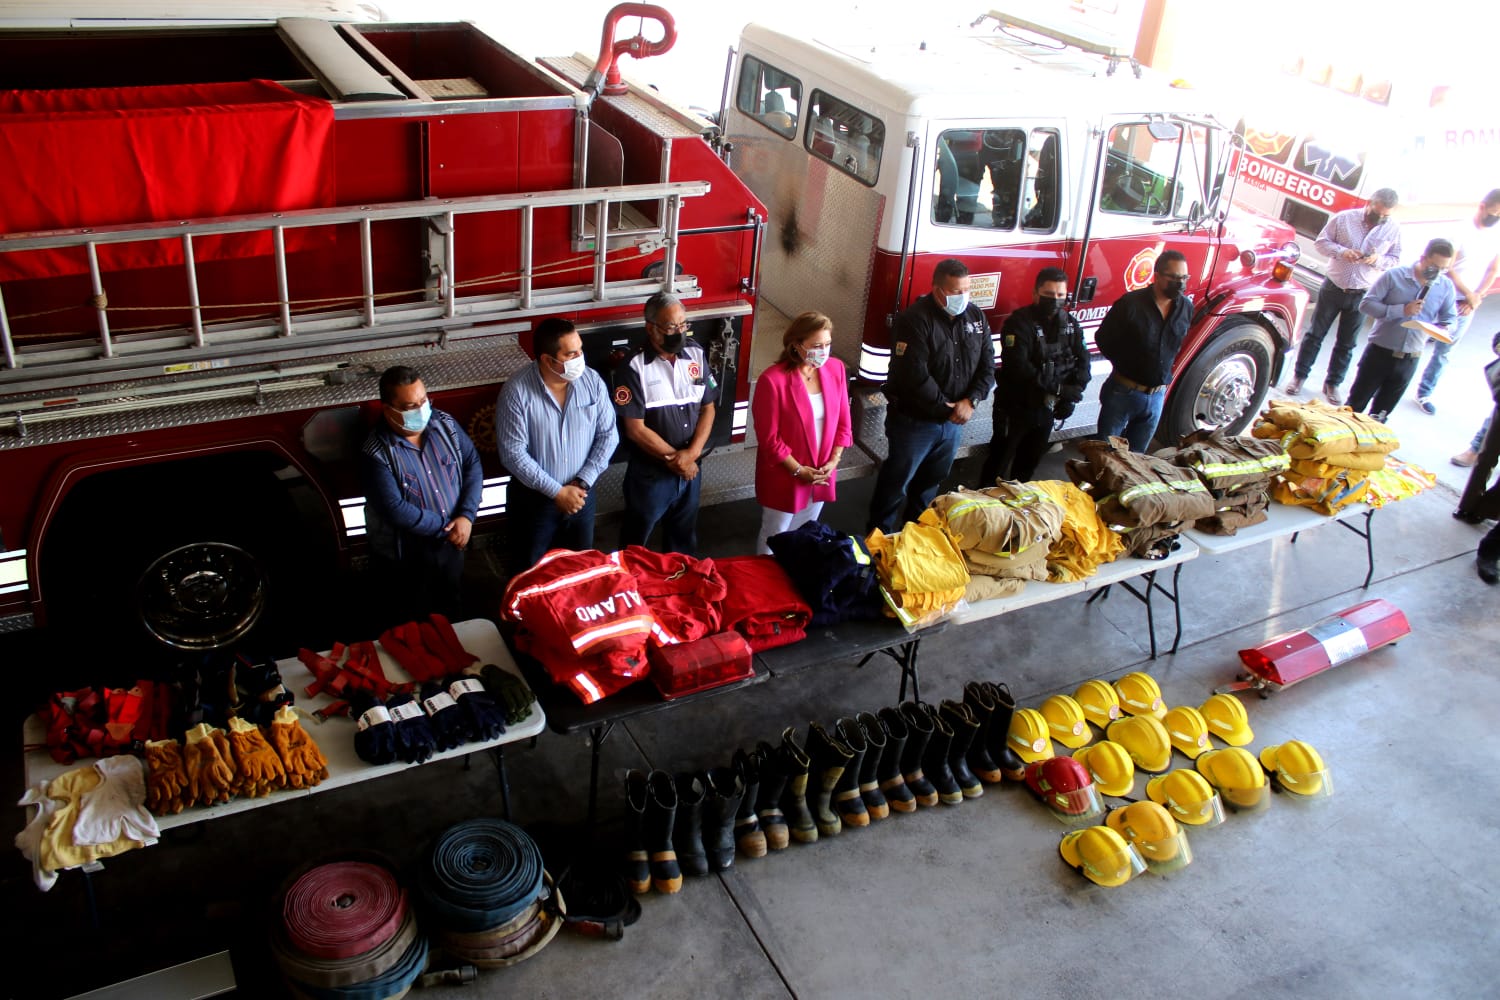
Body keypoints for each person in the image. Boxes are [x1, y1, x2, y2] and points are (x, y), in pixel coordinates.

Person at [867, 258, 995, 533]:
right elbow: (914, 375)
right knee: (896, 484)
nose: (962, 297)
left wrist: (970, 401)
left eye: (966, 290)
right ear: (937, 290)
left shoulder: (976, 318)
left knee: (929, 486)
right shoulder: (914, 321)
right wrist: (947, 407)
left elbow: (987, 365)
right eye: (955, 291)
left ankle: (916, 536)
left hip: (954, 422)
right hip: (915, 422)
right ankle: (877, 540)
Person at [361, 365, 483, 625]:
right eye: (409, 407)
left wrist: (466, 516)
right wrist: (447, 528)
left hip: (452, 543)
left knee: (453, 610)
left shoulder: (445, 424)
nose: (420, 411)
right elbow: (393, 507)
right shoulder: (376, 452)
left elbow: (471, 462)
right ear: (388, 410)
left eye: (423, 401)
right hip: (407, 554)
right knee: (414, 620)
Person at [495, 317, 618, 573]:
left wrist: (582, 482)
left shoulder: (592, 381)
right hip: (534, 503)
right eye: (571, 354)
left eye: (580, 350)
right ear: (547, 360)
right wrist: (557, 492)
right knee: (529, 572)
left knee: (580, 571)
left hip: (581, 497)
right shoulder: (517, 392)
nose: (580, 359)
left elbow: (608, 435)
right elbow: (513, 454)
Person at [614, 292, 718, 555]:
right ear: (651, 328)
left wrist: (691, 455)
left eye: (683, 325)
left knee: (683, 539)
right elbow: (635, 429)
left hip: (692, 469)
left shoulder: (695, 353)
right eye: (671, 327)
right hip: (651, 474)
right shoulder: (633, 367)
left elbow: (708, 407)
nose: (679, 332)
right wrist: (678, 460)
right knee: (635, 543)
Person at [1283, 188, 1402, 405]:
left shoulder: (1393, 230)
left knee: (1347, 343)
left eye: (1386, 216)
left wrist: (1377, 260)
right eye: (1378, 213)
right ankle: (1299, 376)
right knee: (1315, 335)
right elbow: (1321, 243)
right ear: (1369, 203)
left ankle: (1333, 383)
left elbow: (1395, 259)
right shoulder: (1344, 219)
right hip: (1334, 287)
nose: (1381, 219)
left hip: (1363, 293)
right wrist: (1341, 251)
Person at [752, 312, 852, 553]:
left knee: (806, 531)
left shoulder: (835, 369)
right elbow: (769, 439)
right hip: (786, 475)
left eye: (828, 344)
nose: (824, 351)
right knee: (775, 535)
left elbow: (843, 421)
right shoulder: (772, 381)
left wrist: (833, 461)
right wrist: (797, 470)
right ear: (796, 345)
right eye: (817, 346)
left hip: (820, 473)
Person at [982, 267, 1090, 484]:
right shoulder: (1018, 323)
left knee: (1027, 469)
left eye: (1060, 296)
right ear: (1035, 294)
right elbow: (1019, 367)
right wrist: (1059, 389)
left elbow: (1083, 359)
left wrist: (1071, 395)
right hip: (1016, 408)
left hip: (1046, 409)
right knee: (997, 465)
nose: (1055, 300)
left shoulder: (1070, 324)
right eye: (1049, 295)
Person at [1344, 239, 1457, 423]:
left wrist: (1443, 329)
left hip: (1410, 358)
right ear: (1423, 258)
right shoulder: (1394, 276)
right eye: (1434, 266)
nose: (1437, 272)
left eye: (1443, 269)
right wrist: (1401, 310)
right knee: (1353, 407)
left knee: (1380, 415)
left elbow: (1450, 318)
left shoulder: (1445, 286)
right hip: (1379, 353)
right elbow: (1366, 305)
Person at [1093, 249, 1192, 452]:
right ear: (1157, 276)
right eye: (1173, 277)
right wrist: (1128, 364)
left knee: (1136, 462)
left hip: (1156, 398)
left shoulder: (1186, 307)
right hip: (1123, 392)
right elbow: (1103, 339)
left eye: (1184, 278)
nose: (1180, 283)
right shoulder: (1130, 304)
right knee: (1102, 456)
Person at [1415, 190, 1500, 413]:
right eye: (1495, 212)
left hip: (1469, 301)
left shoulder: (1496, 234)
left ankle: (1425, 392)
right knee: (1417, 339)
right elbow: (1448, 267)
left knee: (1445, 351)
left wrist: (1476, 296)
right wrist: (1468, 293)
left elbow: (1492, 269)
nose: (1496, 217)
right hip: (1445, 296)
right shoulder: (1461, 230)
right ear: (1483, 206)